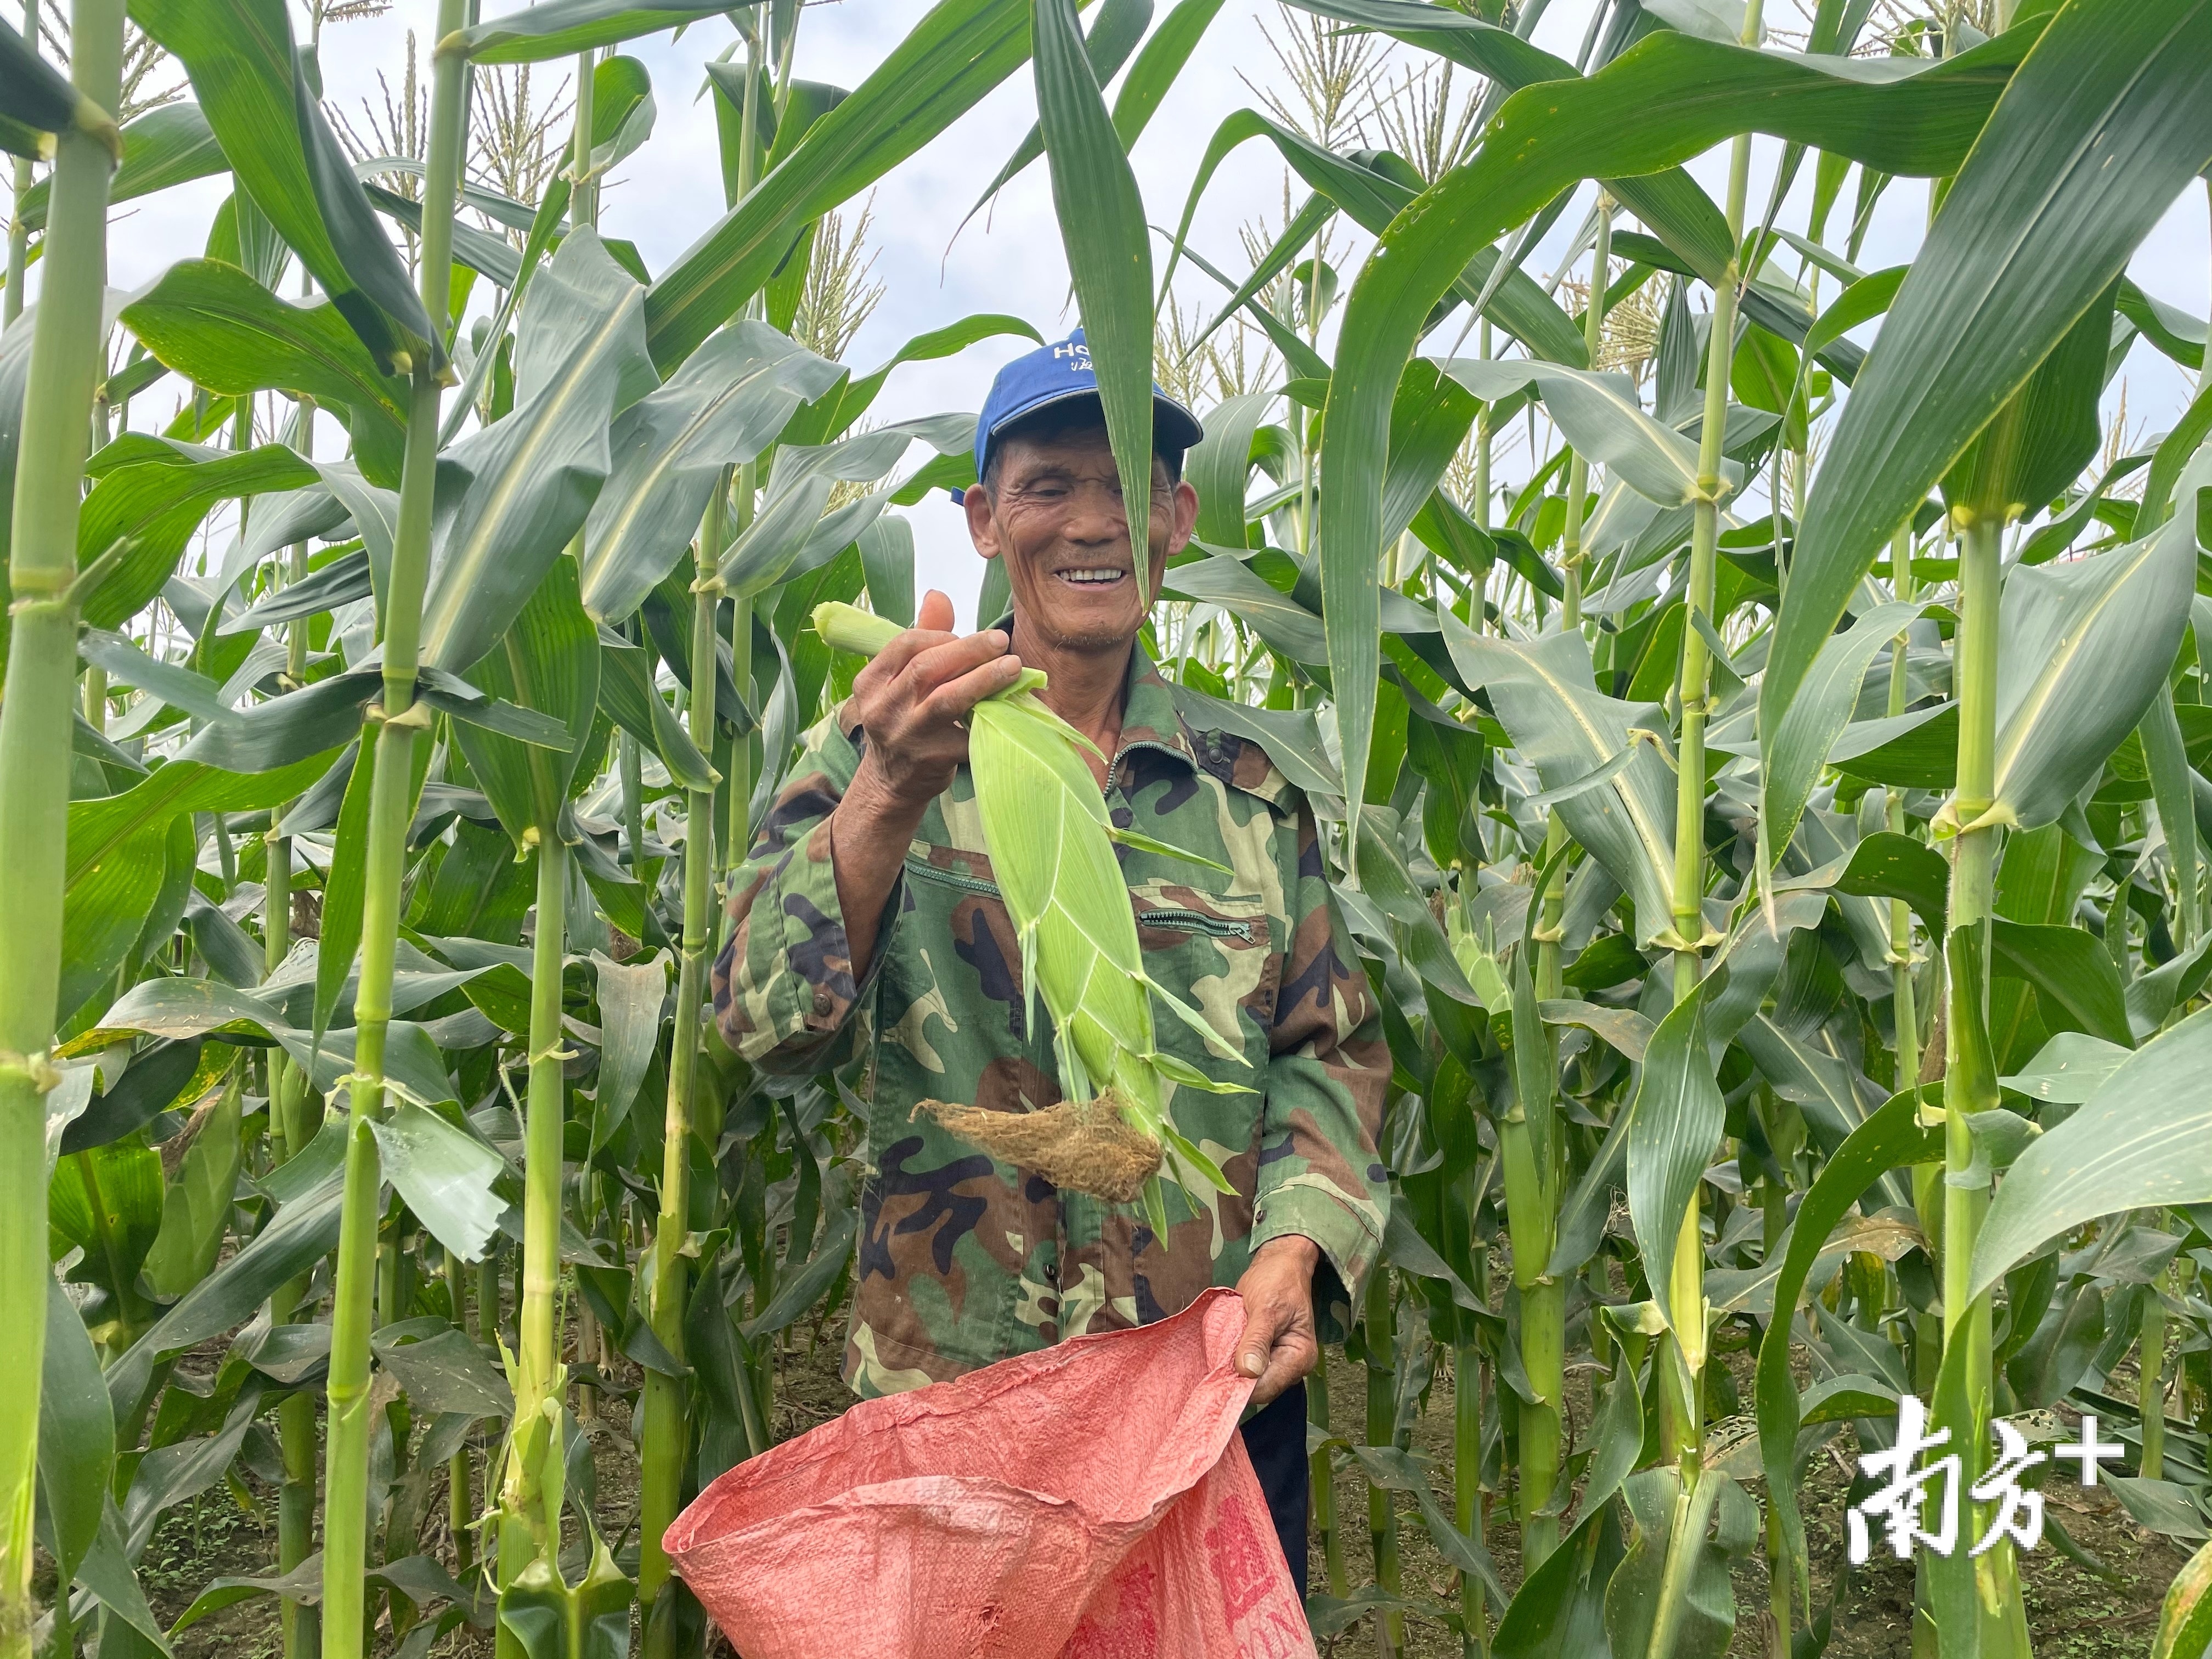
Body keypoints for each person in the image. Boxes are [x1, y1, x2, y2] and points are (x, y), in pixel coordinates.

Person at [711, 328, 1387, 1594]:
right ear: (982, 520)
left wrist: (1298, 1244)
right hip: (962, 1394)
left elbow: (1328, 1053)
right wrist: (885, 796)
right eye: (1049, 487)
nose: (1096, 523)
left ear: (1180, 517)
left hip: (1203, 1392)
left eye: (1130, 489)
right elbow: (761, 1025)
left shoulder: (1248, 794)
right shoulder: (878, 747)